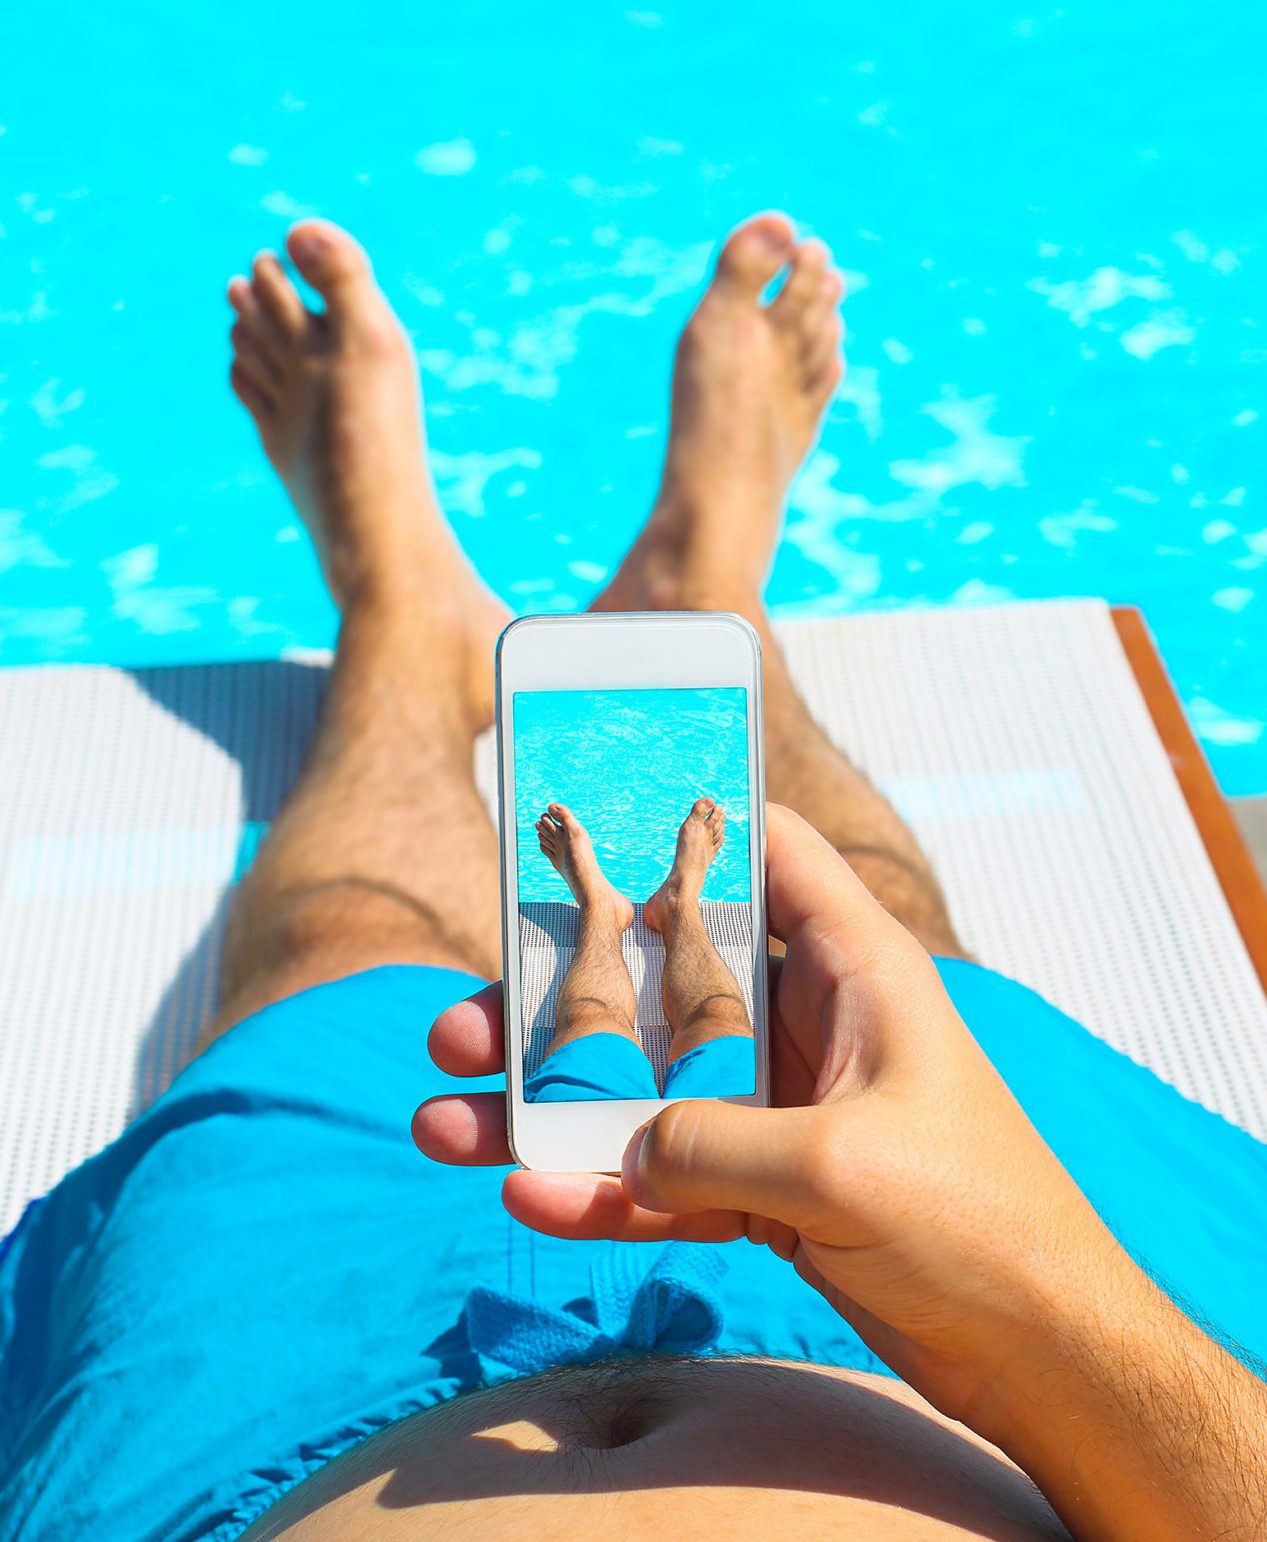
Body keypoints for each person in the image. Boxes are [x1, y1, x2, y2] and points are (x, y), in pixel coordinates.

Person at [1, 213, 1266, 1542]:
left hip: (238, 1429)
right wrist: (1032, 1320)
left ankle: (394, 619)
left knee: (342, 949)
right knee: (872, 961)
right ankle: (709, 592)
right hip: (1046, 1407)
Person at [525, 798, 755, 1102]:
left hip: (581, 1133)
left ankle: (601, 907)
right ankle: (678, 904)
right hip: (740, 1121)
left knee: (590, 1015)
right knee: (719, 1012)